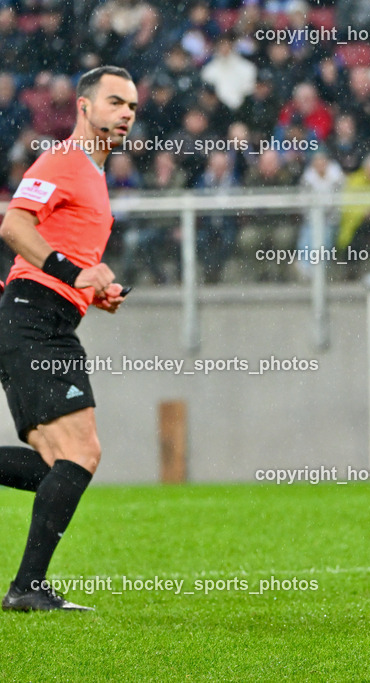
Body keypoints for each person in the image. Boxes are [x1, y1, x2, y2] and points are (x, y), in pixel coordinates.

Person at [0, 65, 135, 611]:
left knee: (65, 463)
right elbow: (13, 226)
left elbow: (69, 260)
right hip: (33, 320)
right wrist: (69, 271)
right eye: (115, 102)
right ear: (84, 106)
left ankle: (27, 588)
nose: (126, 113)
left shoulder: (96, 177)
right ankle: (27, 588)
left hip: (47, 319)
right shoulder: (62, 159)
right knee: (80, 454)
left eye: (131, 105)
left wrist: (92, 292)